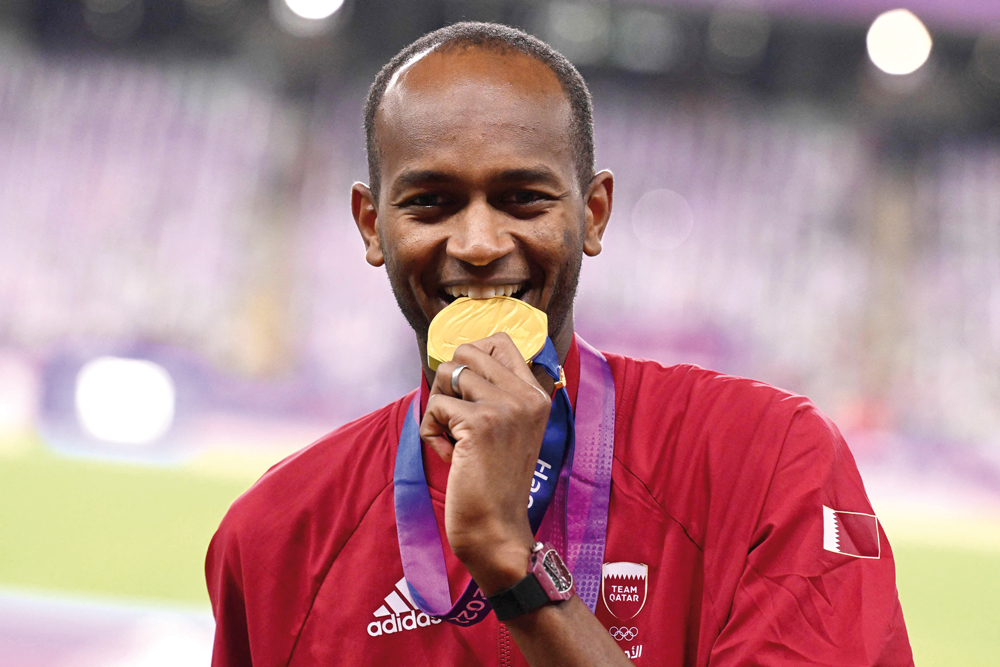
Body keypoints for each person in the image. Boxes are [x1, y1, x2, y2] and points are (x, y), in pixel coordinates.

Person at [206, 22, 913, 667]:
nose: (479, 243)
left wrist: (512, 564)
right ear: (370, 224)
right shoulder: (274, 538)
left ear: (593, 214)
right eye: (430, 202)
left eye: (523, 199)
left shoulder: (768, 461)